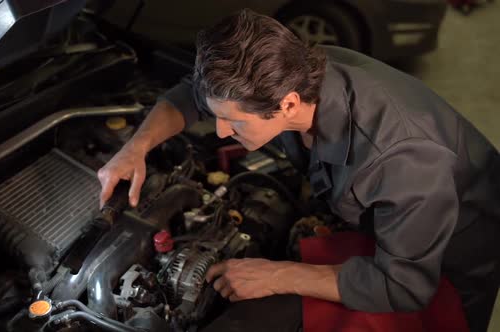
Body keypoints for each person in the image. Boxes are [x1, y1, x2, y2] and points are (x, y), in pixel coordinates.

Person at [97, 9, 500, 332]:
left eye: (233, 122)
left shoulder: (400, 159)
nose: (220, 131)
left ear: (288, 105)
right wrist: (136, 148)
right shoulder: (288, 73)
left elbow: (404, 286)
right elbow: (193, 95)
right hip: (389, 217)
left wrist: (276, 276)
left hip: (453, 249)